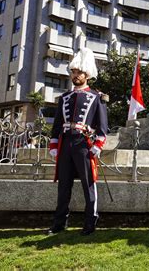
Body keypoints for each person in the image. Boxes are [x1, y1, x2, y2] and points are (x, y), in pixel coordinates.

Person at [47, 48, 108, 236]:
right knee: (64, 185)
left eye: (79, 72)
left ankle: (90, 222)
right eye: (73, 72)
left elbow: (102, 126)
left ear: (87, 74)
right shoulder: (65, 97)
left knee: (88, 184)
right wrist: (54, 145)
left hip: (84, 144)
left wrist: (98, 146)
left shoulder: (96, 97)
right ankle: (59, 223)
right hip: (66, 144)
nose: (75, 75)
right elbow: (57, 124)